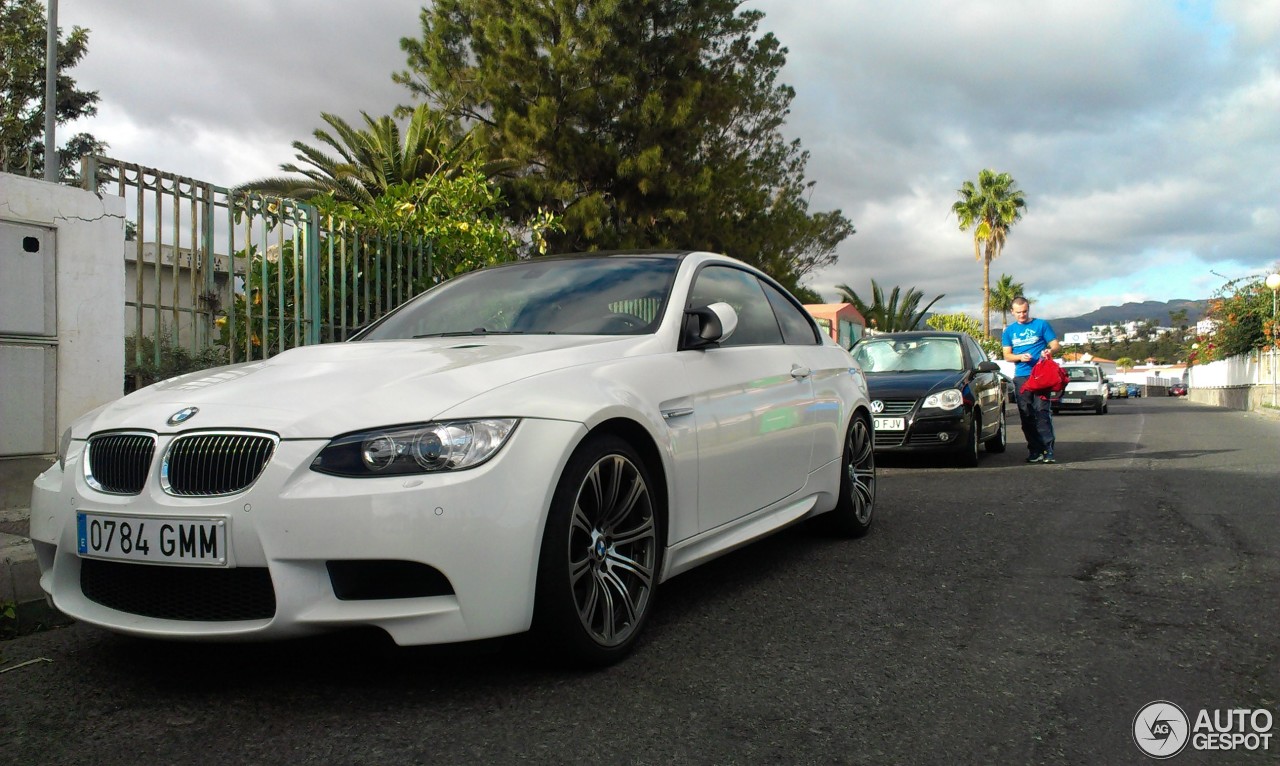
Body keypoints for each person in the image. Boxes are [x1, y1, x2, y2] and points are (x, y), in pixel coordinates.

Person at [1002, 296, 1062, 464]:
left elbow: (1056, 345)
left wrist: (1048, 352)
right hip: (1022, 376)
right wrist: (1020, 357)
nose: (1022, 315)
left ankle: (1048, 449)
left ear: (1028, 310)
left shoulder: (1041, 324)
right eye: (1019, 312)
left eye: (1025, 311)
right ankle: (1034, 450)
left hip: (1041, 375)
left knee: (1042, 412)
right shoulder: (1009, 331)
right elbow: (1007, 355)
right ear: (1012, 312)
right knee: (1026, 414)